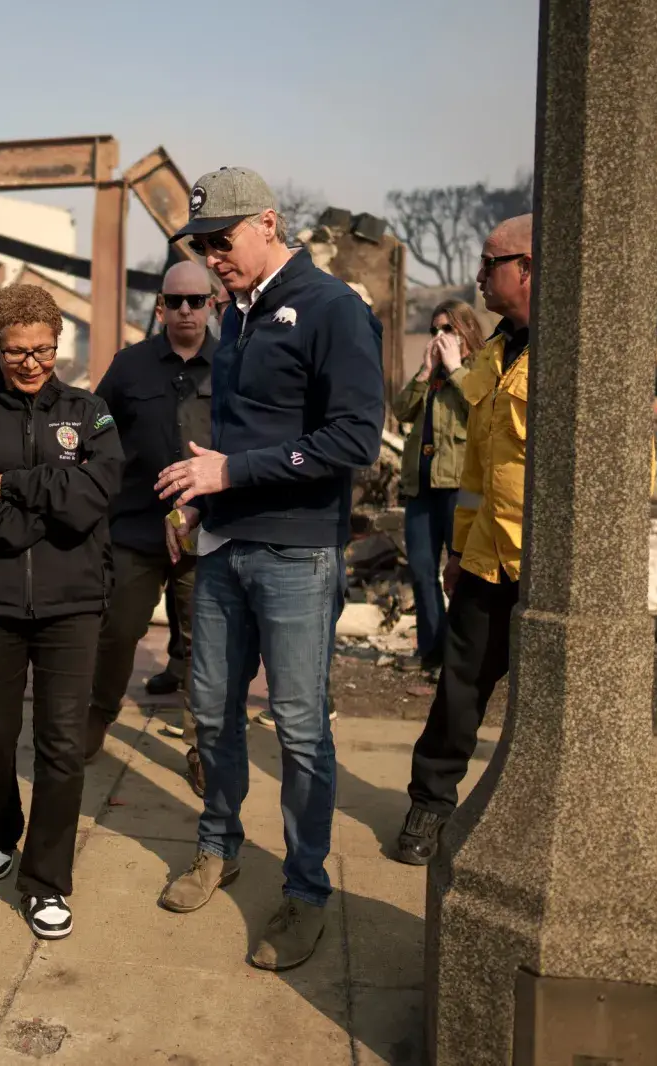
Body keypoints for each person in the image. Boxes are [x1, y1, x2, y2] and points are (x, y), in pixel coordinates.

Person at [152, 168, 384, 971]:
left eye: (223, 241)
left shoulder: (333, 310)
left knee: (299, 728)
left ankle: (307, 890)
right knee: (211, 712)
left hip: (294, 551)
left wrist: (231, 475)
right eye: (203, 246)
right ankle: (218, 847)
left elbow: (354, 440)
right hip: (224, 544)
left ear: (269, 224)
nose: (213, 258)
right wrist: (199, 501)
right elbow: (227, 439)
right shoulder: (237, 316)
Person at [0, 284, 123, 940]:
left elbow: (94, 496)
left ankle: (46, 882)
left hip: (72, 605)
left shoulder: (90, 412)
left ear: (57, 340)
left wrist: (14, 487)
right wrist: (44, 517)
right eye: (17, 352)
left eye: (43, 348)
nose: (31, 362)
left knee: (62, 745)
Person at [392, 216, 534, 866]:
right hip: (486, 563)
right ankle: (430, 805)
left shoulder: (576, 349)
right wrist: (459, 551)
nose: (479, 277)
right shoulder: (498, 357)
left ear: (528, 267)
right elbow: (477, 473)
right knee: (458, 689)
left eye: (490, 263)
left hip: (551, 569)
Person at [87, 262, 217, 794]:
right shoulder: (131, 365)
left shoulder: (235, 366)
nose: (186, 310)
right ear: (160, 306)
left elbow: (251, 440)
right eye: (175, 301)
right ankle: (95, 717)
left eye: (196, 300)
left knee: (206, 645)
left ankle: (204, 747)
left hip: (208, 530)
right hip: (137, 527)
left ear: (213, 304)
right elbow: (97, 424)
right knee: (116, 629)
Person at [388, 299, 484, 677]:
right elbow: (400, 411)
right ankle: (431, 650)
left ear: (465, 333)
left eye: (447, 330)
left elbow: (481, 408)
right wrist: (425, 372)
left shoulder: (476, 370)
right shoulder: (431, 375)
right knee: (422, 570)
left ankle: (460, 657)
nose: (439, 338)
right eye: (434, 331)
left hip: (459, 487)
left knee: (460, 573)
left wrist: (456, 369)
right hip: (421, 487)